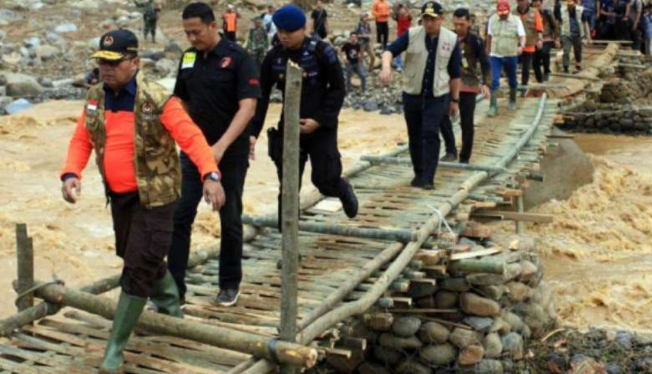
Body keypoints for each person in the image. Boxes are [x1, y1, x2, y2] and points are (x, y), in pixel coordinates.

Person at [60, 29, 224, 374]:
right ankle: (169, 302)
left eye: (114, 63)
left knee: (136, 267)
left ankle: (115, 349)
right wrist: (71, 173)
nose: (106, 69)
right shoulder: (95, 97)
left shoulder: (157, 99)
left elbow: (191, 138)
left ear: (134, 62)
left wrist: (210, 175)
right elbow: (82, 138)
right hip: (119, 197)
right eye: (101, 63)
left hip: (155, 197)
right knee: (137, 256)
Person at [168, 2, 260, 307]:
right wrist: (185, 134)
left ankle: (229, 283)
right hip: (193, 151)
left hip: (229, 152)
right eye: (187, 33)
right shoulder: (189, 58)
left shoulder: (238, 58)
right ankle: (174, 291)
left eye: (196, 32)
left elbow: (248, 107)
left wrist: (220, 147)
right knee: (180, 215)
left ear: (212, 25)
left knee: (229, 215)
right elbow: (180, 100)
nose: (192, 38)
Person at [251, 5, 359, 226]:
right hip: (290, 128)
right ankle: (287, 244)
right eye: (280, 31)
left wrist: (318, 121)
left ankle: (342, 188)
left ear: (303, 29)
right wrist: (253, 132)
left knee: (324, 180)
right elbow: (260, 97)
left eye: (289, 32)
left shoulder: (322, 52)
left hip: (321, 126)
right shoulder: (274, 57)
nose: (283, 36)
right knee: (288, 188)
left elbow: (338, 89)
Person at [379, 1, 462, 190]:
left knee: (430, 134)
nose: (429, 23)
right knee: (415, 135)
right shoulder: (411, 35)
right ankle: (419, 173)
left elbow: (455, 74)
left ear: (441, 19)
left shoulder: (451, 40)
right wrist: (386, 67)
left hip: (437, 96)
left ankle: (429, 178)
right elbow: (389, 51)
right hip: (412, 95)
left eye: (433, 19)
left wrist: (455, 100)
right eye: (426, 19)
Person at [440, 7, 490, 164]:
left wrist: (486, 83)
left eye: (462, 24)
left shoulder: (475, 41)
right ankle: (450, 150)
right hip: (449, 83)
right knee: (442, 115)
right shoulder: (446, 37)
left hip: (468, 83)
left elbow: (485, 63)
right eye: (456, 24)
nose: (458, 27)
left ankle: (464, 157)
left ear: (469, 22)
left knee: (466, 122)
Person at [487, 0, 526, 116]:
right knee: (494, 80)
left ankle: (512, 100)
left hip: (510, 54)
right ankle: (493, 106)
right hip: (495, 55)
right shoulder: (492, 20)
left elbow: (522, 36)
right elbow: (489, 36)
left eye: (505, 11)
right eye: (500, 12)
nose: (502, 14)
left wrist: (521, 46)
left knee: (512, 79)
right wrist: (487, 51)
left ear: (509, 11)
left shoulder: (516, 21)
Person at [514, 0, 543, 95]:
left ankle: (524, 87)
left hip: (529, 44)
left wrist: (539, 40)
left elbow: (539, 27)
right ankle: (514, 85)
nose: (521, 3)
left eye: (523, 1)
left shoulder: (534, 12)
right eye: (519, 1)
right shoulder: (513, 13)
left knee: (526, 68)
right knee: (512, 66)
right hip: (516, 45)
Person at [556, 0, 586, 73]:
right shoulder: (561, 10)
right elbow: (559, 22)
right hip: (566, 33)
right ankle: (565, 67)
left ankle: (578, 62)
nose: (569, 5)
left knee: (578, 50)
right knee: (566, 50)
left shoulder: (581, 10)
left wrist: (587, 35)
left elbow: (585, 22)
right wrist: (557, 36)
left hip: (577, 33)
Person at [533, 0, 559, 82]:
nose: (536, 6)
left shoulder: (547, 13)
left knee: (544, 53)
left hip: (547, 38)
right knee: (535, 60)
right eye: (534, 4)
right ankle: (539, 79)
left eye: (538, 3)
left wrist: (556, 39)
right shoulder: (530, 14)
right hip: (534, 39)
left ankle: (546, 71)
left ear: (541, 3)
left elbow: (555, 26)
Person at [394, 3, 413, 72]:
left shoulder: (408, 17)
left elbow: (410, 15)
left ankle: (409, 65)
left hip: (408, 36)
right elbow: (395, 13)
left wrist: (406, 8)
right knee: (398, 51)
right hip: (399, 36)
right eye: (401, 10)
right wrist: (397, 7)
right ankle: (399, 65)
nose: (402, 11)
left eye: (403, 10)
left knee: (410, 50)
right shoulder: (398, 18)